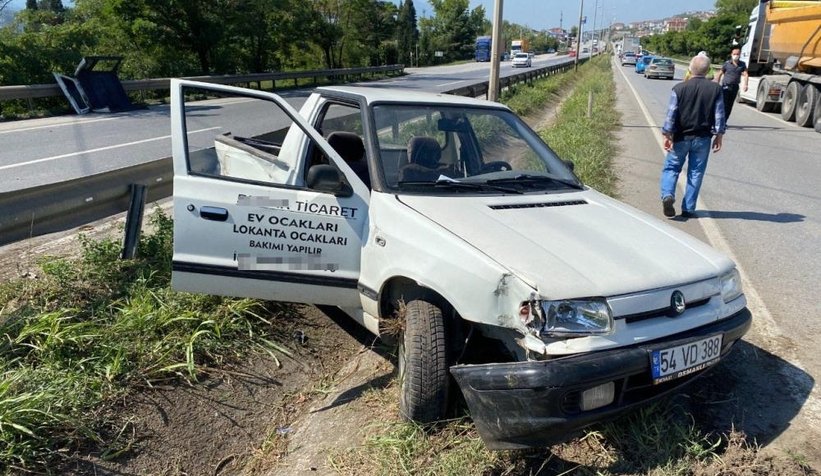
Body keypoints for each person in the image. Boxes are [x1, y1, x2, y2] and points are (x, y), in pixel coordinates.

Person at [659, 54, 726, 219]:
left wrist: (667, 134)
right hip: (703, 138)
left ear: (690, 69)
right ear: (708, 70)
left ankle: (668, 195)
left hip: (681, 137)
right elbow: (719, 115)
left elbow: (671, 115)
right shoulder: (716, 89)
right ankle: (688, 208)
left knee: (671, 168)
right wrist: (719, 135)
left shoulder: (679, 89)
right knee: (696, 173)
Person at [714, 47, 748, 121]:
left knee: (730, 105)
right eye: (734, 54)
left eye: (737, 54)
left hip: (735, 87)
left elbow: (746, 74)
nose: (736, 55)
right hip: (726, 86)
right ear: (731, 54)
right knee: (724, 104)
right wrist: (717, 84)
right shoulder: (727, 64)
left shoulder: (742, 64)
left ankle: (725, 120)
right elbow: (720, 73)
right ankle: (719, 120)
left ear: (740, 55)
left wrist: (745, 84)